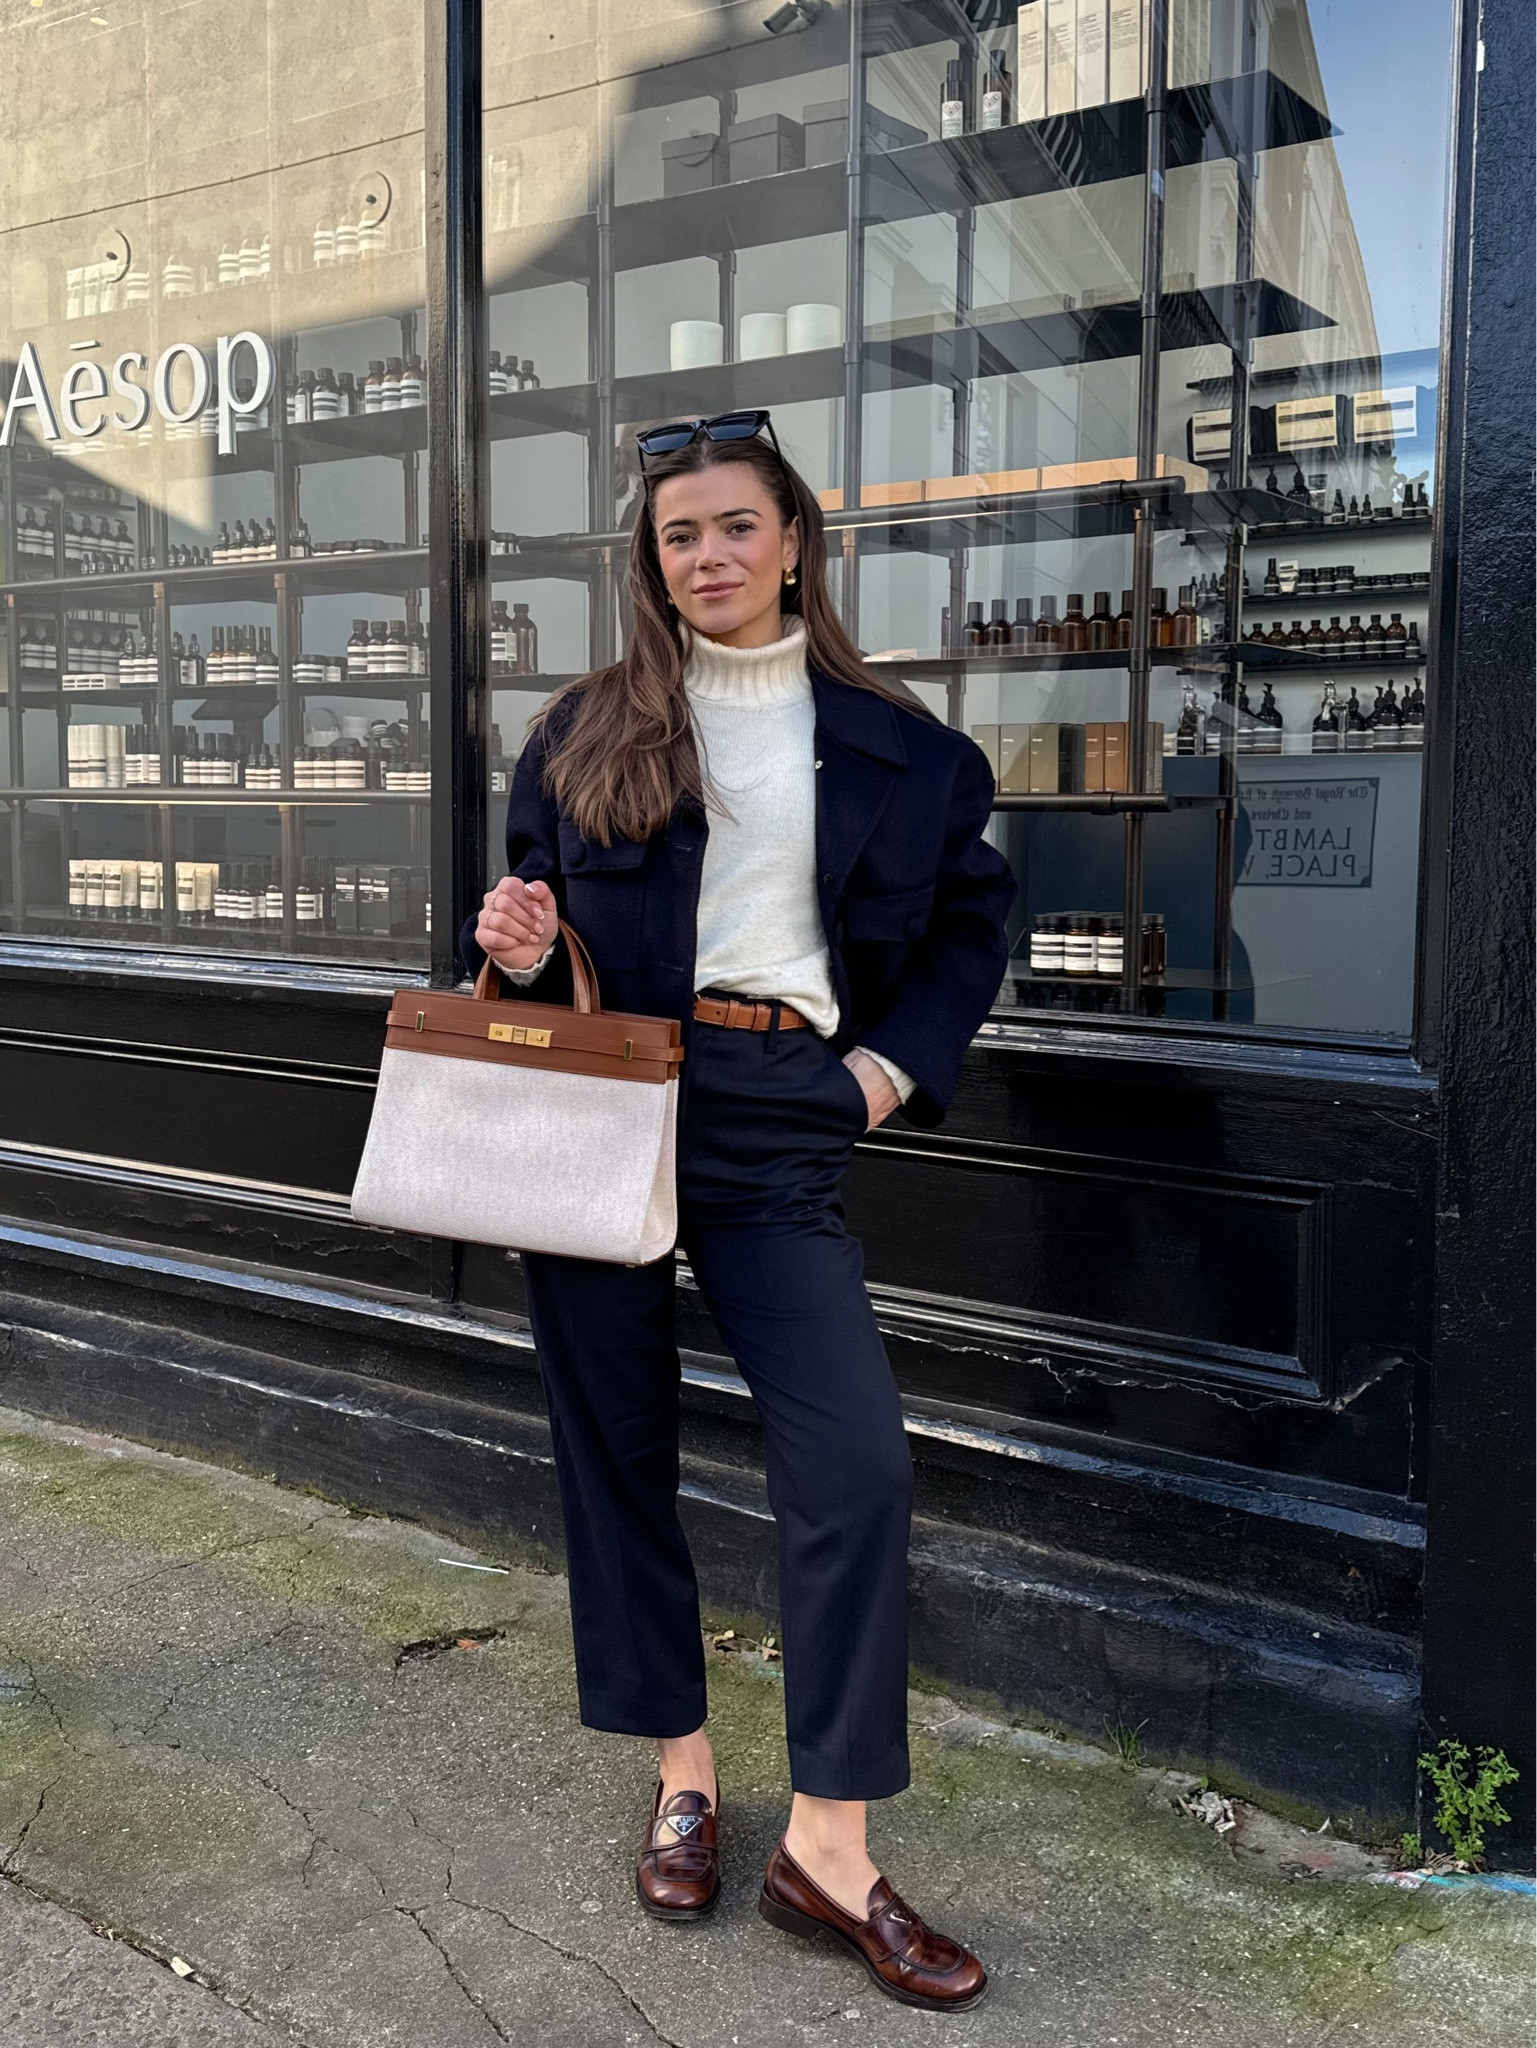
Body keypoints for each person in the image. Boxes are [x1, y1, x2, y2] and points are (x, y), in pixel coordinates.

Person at [461, 410, 1014, 2012]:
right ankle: (684, 1776)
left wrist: (884, 1077)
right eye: (677, 534)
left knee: (852, 1462)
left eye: (734, 527)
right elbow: (520, 935)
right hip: (600, 1110)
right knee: (614, 1446)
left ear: (795, 542)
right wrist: (505, 939)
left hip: (780, 1117)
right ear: (651, 561)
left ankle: (828, 1848)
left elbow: (972, 931)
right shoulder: (582, 728)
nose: (706, 555)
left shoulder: (910, 752)